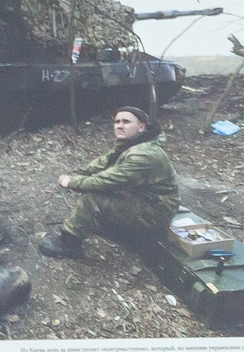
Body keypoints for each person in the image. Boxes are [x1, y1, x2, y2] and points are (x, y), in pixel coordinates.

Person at [36, 104, 181, 261]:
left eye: (126, 122)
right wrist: (79, 174)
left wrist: (72, 182)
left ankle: (69, 244)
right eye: (117, 122)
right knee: (93, 192)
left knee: (92, 199)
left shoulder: (145, 154)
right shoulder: (131, 144)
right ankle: (118, 230)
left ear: (141, 127)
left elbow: (108, 181)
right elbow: (102, 163)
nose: (119, 126)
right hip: (142, 199)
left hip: (156, 212)